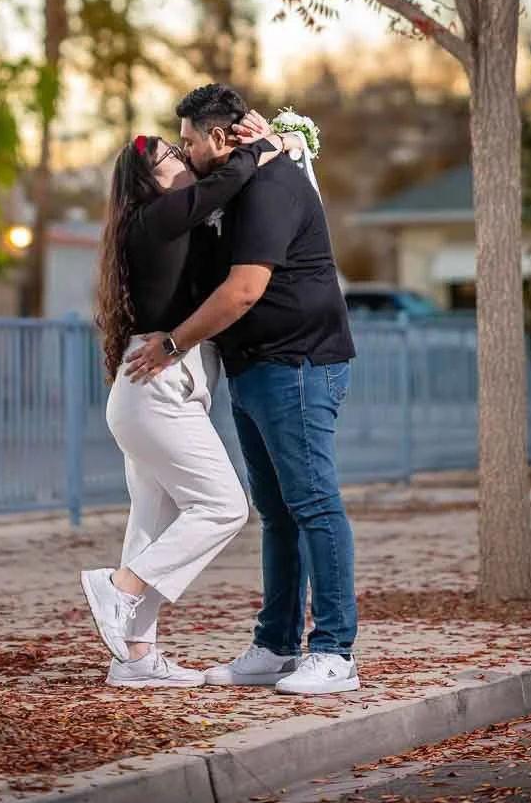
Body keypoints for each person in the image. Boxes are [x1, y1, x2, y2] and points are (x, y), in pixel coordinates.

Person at [126, 84, 360, 696]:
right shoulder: (237, 181)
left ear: (220, 136)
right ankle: (276, 647)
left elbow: (244, 291)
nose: (184, 150)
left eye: (189, 140)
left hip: (299, 363)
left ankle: (336, 652)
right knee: (277, 513)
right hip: (257, 367)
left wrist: (173, 344)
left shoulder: (268, 185)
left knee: (312, 504)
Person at [80, 125, 283, 688]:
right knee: (223, 507)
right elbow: (231, 179)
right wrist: (264, 147)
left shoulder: (167, 223)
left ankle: (136, 658)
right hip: (156, 393)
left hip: (148, 394)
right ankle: (121, 587)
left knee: (152, 521)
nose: (182, 155)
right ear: (149, 180)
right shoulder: (157, 217)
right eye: (172, 154)